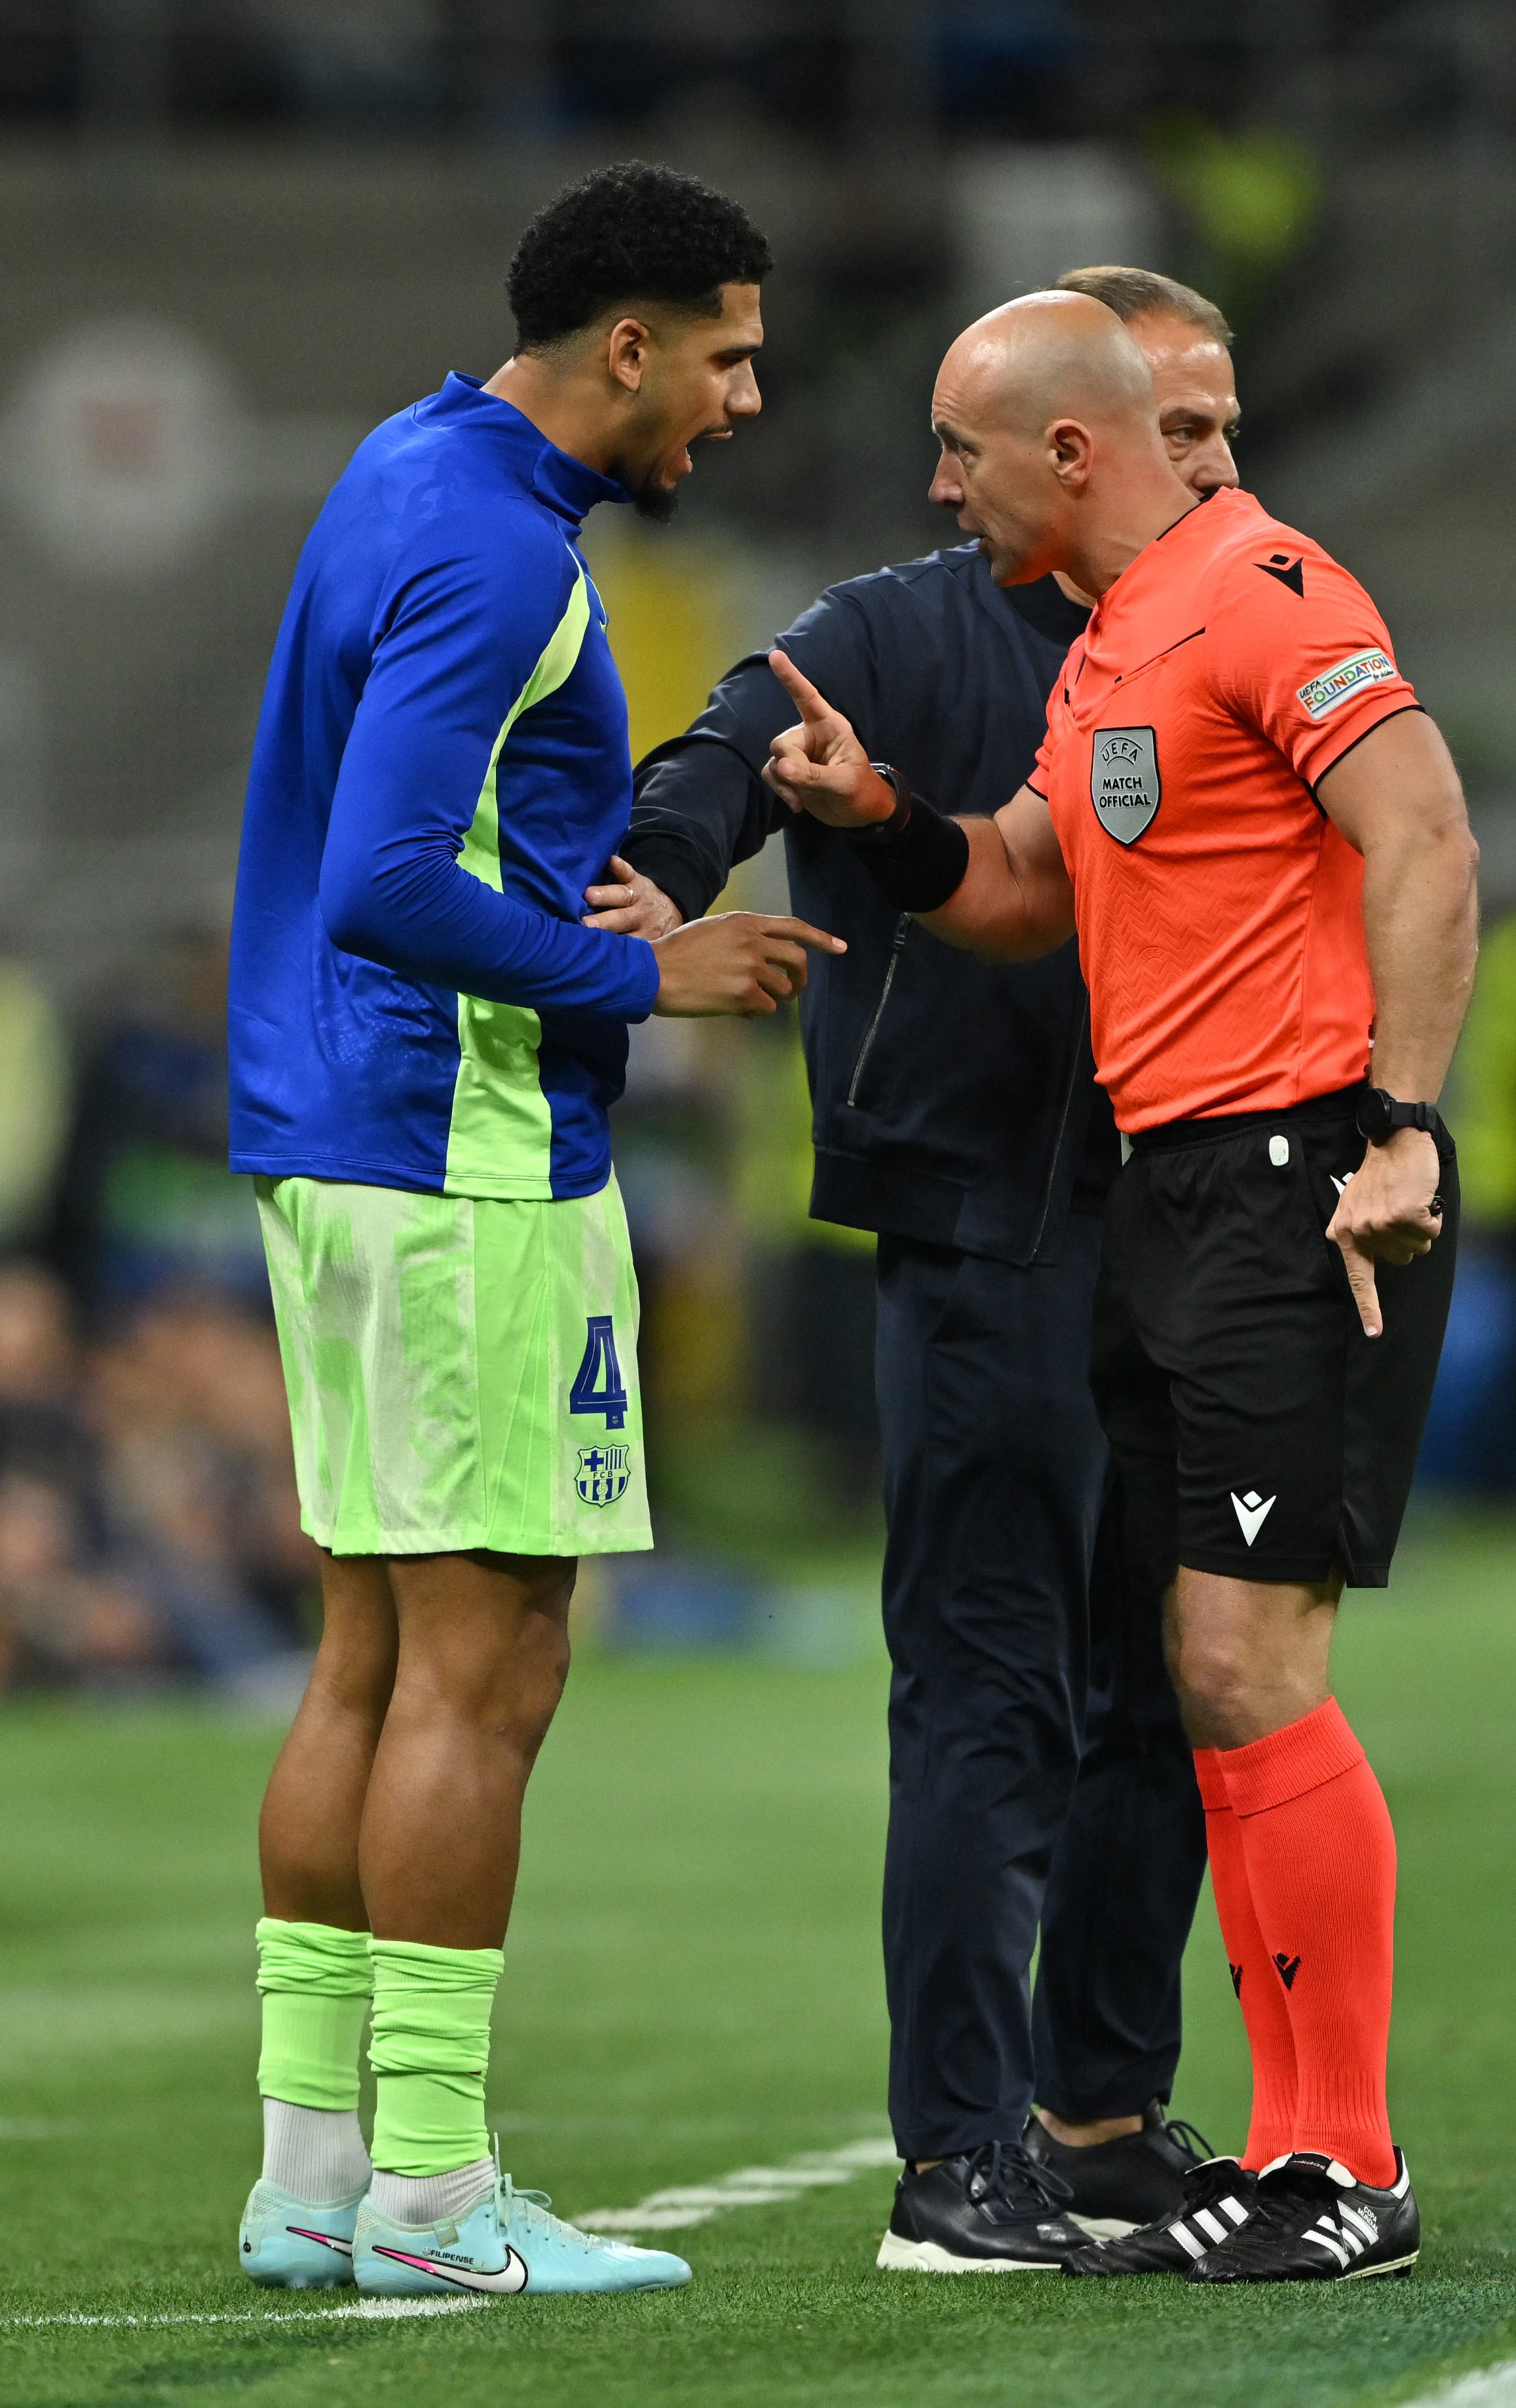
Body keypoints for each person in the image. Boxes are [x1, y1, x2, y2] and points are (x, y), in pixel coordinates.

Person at [766, 291, 1477, 2285]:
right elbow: (1019, 886)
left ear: (1066, 453)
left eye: (957, 446)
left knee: (1251, 1667)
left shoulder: (1263, 588)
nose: (935, 482)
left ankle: (1343, 2156)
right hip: (1168, 1197)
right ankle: (1291, 2148)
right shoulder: (1104, 653)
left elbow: (1423, 831)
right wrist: (876, 821)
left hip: (1297, 1183)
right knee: (1200, 1676)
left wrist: (1399, 1128)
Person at [226, 159, 841, 2302]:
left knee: (371, 1656)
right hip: (463, 1156)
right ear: (629, 346)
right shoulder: (499, 548)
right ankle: (430, 2196)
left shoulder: (410, 465)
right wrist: (645, 980)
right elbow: (391, 876)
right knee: (487, 1672)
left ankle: (314, 2170)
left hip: (337, 1139)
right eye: (733, 354)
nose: (748, 400)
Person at [603, 269, 1239, 2272]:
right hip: (982, 1227)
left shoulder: (1252, 634)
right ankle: (958, 2159)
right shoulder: (885, 630)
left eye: (1225, 430)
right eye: (1185, 428)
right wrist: (663, 875)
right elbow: (724, 753)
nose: (1212, 463)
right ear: (1094, 431)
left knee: (1168, 1691)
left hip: (1198, 1230)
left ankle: (1104, 2116)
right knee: (991, 1691)